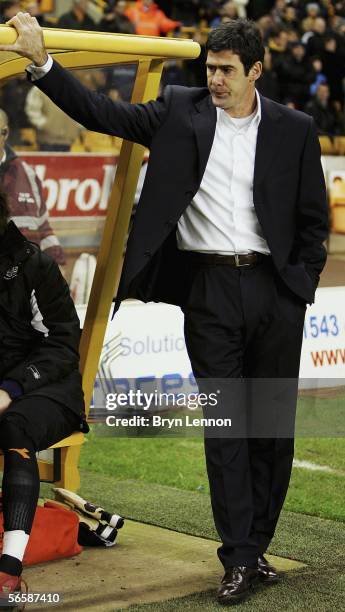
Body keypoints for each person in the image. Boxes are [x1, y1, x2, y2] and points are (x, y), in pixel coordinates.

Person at [2, 13, 328, 604]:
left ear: (256, 71)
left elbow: (313, 220)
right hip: (209, 293)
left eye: (228, 70)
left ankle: (257, 547)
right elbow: (107, 114)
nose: (216, 79)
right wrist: (42, 63)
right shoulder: (180, 109)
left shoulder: (296, 127)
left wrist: (298, 288)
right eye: (211, 68)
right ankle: (239, 557)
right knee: (227, 429)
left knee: (272, 432)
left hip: (276, 296)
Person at [0, 189, 88, 597]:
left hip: (47, 387)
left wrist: (11, 388)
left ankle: (9, 569)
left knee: (16, 426)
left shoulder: (32, 265)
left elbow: (65, 341)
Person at [0, 108, 66, 264]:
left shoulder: (27, 174)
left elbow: (43, 227)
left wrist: (56, 266)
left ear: (5, 133)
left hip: (21, 278)